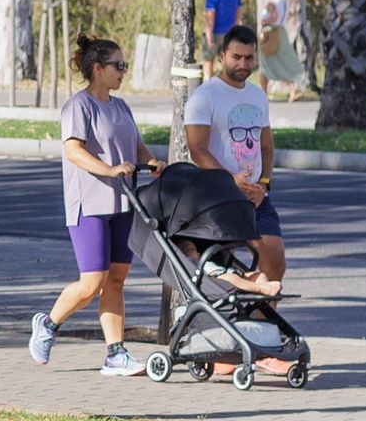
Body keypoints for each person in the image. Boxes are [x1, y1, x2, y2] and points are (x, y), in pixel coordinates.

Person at [29, 34, 166, 376]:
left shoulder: (120, 107)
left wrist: (152, 162)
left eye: (125, 65)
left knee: (117, 278)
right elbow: (73, 150)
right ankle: (47, 324)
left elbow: (137, 145)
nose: (124, 71)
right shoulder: (79, 106)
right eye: (119, 65)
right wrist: (109, 169)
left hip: (123, 203)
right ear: (97, 68)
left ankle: (115, 354)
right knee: (92, 282)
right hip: (89, 205)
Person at [184, 25, 285, 283]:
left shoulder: (257, 95)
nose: (243, 64)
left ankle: (262, 311)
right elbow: (197, 150)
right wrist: (230, 180)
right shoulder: (205, 96)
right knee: (222, 270)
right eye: (236, 57)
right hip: (219, 196)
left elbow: (266, 146)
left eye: (249, 58)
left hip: (255, 195)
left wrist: (264, 184)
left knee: (274, 263)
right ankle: (227, 308)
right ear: (222, 56)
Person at [255, 0, 306, 101]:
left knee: (265, 63)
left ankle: (264, 93)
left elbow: (274, 17)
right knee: (281, 62)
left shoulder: (271, 3)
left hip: (270, 32)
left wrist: (264, 21)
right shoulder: (284, 2)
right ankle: (292, 89)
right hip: (281, 32)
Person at [202, 0, 242, 79]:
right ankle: (227, 84)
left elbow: (211, 14)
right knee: (226, 61)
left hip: (215, 32)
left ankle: (208, 83)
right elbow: (239, 11)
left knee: (208, 60)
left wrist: (208, 34)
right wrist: (235, 28)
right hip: (230, 33)